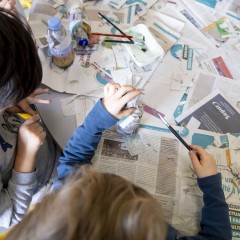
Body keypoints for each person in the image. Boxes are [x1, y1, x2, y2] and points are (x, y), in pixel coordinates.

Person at [4, 82, 231, 240]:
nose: (123, 178)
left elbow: (73, 160)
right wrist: (210, 183)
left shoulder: (70, 204)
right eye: (130, 189)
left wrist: (101, 115)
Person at [0, 8, 59, 227]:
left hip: (44, 145)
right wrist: (26, 153)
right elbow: (13, 214)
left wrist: (14, 99)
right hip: (42, 186)